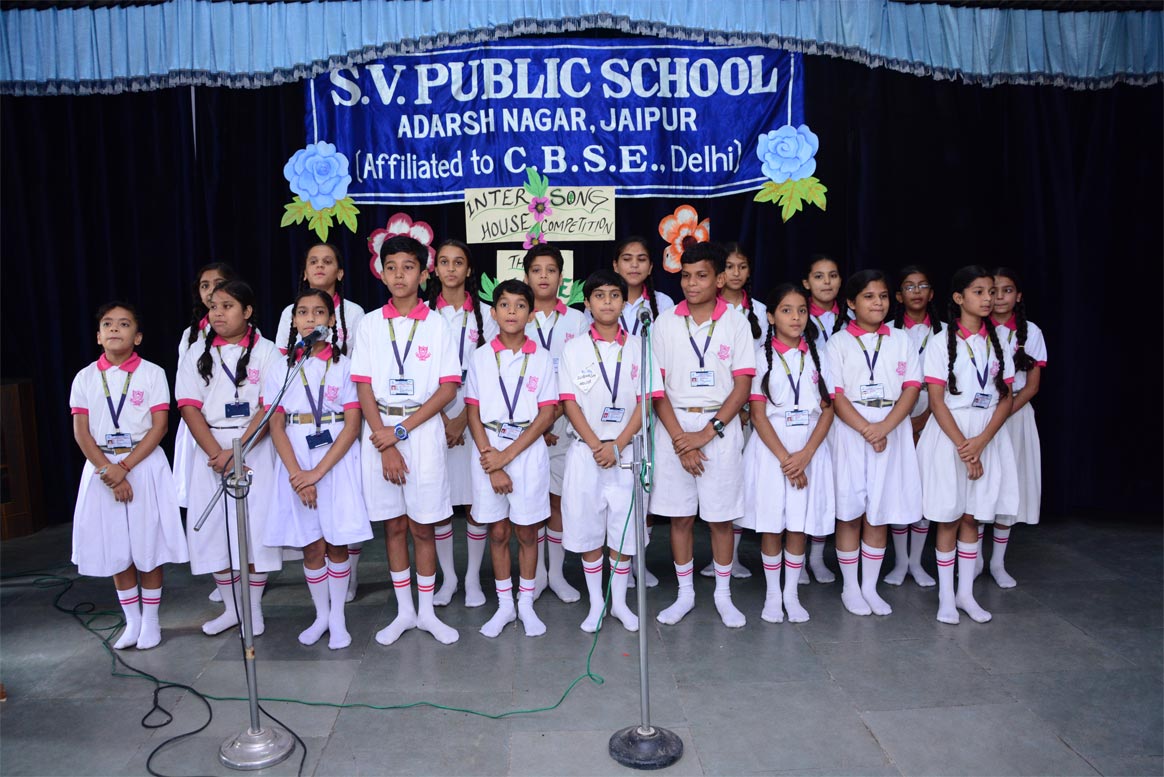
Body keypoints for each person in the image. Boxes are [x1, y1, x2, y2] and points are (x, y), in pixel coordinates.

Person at [352, 235, 462, 646]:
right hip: (379, 430)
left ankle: (428, 612)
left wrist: (399, 433)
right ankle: (404, 611)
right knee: (394, 525)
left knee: (423, 526)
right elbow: (363, 386)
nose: (399, 275)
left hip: (421, 430)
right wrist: (385, 441)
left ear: (423, 273)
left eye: (408, 267)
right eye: (391, 267)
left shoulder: (437, 324)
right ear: (381, 273)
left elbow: (448, 388)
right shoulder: (369, 324)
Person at [649, 242, 756, 628]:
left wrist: (706, 434)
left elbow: (742, 387)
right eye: (685, 276)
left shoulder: (737, 323)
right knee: (680, 518)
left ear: (720, 279)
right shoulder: (665, 322)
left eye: (701, 276)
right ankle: (685, 594)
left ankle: (723, 596)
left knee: (720, 519)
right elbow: (656, 390)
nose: (691, 283)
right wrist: (683, 440)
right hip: (674, 429)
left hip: (720, 430)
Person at [71, 302, 188, 650]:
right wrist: (108, 469)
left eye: (124, 324)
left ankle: (151, 622)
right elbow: (81, 433)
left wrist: (124, 469)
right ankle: (132, 621)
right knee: (116, 545)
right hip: (101, 468)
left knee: (147, 544)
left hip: (143, 464)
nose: (114, 329)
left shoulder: (152, 373)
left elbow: (160, 427)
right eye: (107, 324)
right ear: (98, 336)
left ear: (137, 337)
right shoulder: (85, 377)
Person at [176, 280, 283, 636]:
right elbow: (188, 407)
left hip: (254, 447)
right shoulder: (197, 352)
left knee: (254, 531)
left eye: (227, 306)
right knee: (213, 534)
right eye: (213, 307)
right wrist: (218, 454)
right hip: (210, 450)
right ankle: (232, 609)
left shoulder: (267, 351)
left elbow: (269, 406)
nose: (218, 313)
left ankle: (253, 610)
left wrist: (238, 452)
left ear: (247, 311)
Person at [266, 289, 371, 649]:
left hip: (336, 459)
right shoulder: (281, 368)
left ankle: (338, 617)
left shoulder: (345, 365)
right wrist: (299, 475)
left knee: (337, 542)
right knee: (312, 546)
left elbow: (352, 426)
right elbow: (276, 426)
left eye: (319, 312)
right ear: (293, 320)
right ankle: (321, 615)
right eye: (303, 312)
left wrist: (317, 473)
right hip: (296, 457)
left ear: (331, 320)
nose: (310, 319)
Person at [916, 265, 1019, 624]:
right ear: (959, 298)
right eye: (979, 292)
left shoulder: (1000, 340)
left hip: (986, 434)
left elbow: (1006, 397)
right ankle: (946, 596)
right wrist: (965, 446)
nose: (989, 298)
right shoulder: (940, 341)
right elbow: (937, 401)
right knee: (949, 516)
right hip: (951, 435)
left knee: (972, 516)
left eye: (992, 291)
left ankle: (965, 593)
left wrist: (982, 442)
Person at [560, 270, 657, 633]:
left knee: (623, 530)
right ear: (587, 303)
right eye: (599, 295)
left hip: (626, 452)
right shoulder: (573, 349)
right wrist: (596, 444)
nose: (607, 302)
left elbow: (646, 402)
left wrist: (617, 445)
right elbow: (569, 403)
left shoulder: (639, 347)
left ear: (623, 301)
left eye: (614, 295)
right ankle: (596, 604)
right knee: (588, 529)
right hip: (586, 452)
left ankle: (619, 603)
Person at [825, 270, 923, 617]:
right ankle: (851, 588)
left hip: (891, 429)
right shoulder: (837, 343)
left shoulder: (901, 340)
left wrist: (885, 428)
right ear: (851, 303)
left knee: (879, 512)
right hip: (851, 431)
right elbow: (835, 395)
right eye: (868, 296)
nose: (878, 303)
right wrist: (868, 429)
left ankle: (870, 586)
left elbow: (912, 388)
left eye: (882, 296)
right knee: (850, 512)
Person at [465, 280, 559, 637]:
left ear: (531, 314)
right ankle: (505, 605)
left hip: (527, 452)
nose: (512, 312)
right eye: (504, 305)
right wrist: (492, 460)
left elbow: (547, 414)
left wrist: (507, 455)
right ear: (493, 312)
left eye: (520, 306)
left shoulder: (542, 358)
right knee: (499, 531)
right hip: (487, 451)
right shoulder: (480, 356)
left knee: (528, 532)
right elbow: (473, 413)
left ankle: (526, 603)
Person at [740, 285, 834, 623]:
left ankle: (791, 594)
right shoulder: (758, 356)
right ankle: (772, 595)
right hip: (772, 452)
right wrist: (786, 459)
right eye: (786, 310)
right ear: (770, 316)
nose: (796, 317)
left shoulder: (820, 355)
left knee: (799, 524)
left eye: (801, 311)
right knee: (772, 524)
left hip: (809, 449)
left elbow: (828, 410)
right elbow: (758, 415)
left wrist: (805, 454)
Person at [426, 239, 498, 608]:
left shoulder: (488, 314)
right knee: (439, 502)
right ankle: (448, 577)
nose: (451, 268)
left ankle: (471, 578)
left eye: (458, 262)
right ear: (435, 269)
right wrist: (441, 417)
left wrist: (461, 421)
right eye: (444, 262)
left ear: (469, 270)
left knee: (473, 501)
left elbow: (493, 376)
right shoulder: (423, 315)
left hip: (474, 423)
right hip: (431, 421)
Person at [608, 235, 675, 589]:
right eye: (627, 258)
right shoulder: (605, 297)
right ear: (615, 265)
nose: (634, 265)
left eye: (641, 259)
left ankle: (638, 561)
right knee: (618, 492)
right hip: (615, 406)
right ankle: (618, 561)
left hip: (651, 403)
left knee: (645, 489)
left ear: (651, 266)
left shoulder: (663, 303)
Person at [524, 245, 587, 603]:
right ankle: (535, 575)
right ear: (527, 276)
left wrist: (553, 417)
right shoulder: (517, 314)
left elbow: (581, 374)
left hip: (564, 422)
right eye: (537, 270)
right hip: (526, 426)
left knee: (558, 501)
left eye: (551, 270)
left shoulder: (577, 320)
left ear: (562, 278)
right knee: (532, 500)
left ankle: (557, 574)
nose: (544, 276)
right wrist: (538, 422)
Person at [700, 241, 764, 580]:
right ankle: (718, 558)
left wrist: (747, 408)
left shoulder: (762, 311)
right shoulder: (704, 310)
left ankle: (733, 557)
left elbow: (763, 366)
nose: (736, 273)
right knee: (715, 487)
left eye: (742, 266)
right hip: (719, 412)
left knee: (737, 485)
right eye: (729, 267)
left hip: (753, 411)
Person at [176, 262, 239, 605]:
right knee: (212, 519)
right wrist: (215, 450)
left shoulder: (255, 341)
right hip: (203, 435)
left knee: (246, 520)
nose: (211, 290)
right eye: (205, 286)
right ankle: (228, 590)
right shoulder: (191, 337)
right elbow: (187, 397)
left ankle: (249, 592)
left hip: (245, 438)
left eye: (219, 284)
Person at [987, 266, 1047, 588]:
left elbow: (1032, 386)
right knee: (980, 486)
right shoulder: (977, 328)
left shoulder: (1031, 332)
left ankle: (997, 562)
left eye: (1007, 290)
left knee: (1009, 487)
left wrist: (1004, 413)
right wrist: (991, 416)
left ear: (1018, 296)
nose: (999, 297)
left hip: (1014, 418)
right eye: (992, 291)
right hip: (981, 418)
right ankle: (973, 557)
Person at [884, 265, 944, 588]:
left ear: (932, 293)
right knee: (901, 487)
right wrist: (904, 420)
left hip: (936, 418)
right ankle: (900, 561)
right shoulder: (888, 333)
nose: (916, 292)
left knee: (924, 490)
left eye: (922, 286)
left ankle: (917, 562)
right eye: (909, 286)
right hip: (896, 419)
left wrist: (926, 418)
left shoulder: (946, 333)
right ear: (898, 296)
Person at [801, 253, 847, 584]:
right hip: (811, 413)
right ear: (807, 283)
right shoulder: (797, 315)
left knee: (829, 488)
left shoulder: (852, 316)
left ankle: (817, 557)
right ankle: (798, 559)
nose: (826, 282)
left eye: (832, 275)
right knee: (807, 484)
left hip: (847, 414)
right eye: (818, 276)